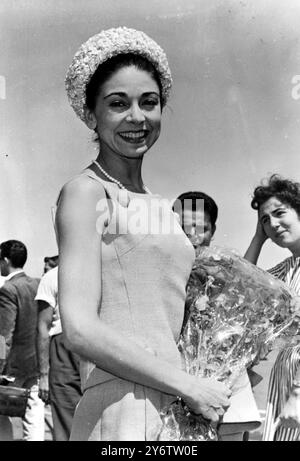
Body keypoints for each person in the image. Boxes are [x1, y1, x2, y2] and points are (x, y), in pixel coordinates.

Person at [56, 26, 231, 441]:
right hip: (126, 409)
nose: (137, 117)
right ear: (92, 113)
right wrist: (188, 385)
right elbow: (78, 327)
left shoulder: (162, 207)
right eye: (118, 104)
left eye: (148, 102)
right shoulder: (86, 192)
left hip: (181, 409)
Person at [174, 191, 260, 441]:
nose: (192, 235)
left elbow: (247, 279)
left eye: (201, 228)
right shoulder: (157, 269)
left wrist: (258, 238)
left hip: (222, 385)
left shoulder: (220, 270)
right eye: (183, 227)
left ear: (212, 231)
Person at [244, 174, 300, 441]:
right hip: (285, 378)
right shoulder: (284, 272)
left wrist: (299, 396)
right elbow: (242, 284)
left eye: (280, 213)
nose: (273, 225)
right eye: (266, 220)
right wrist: (259, 237)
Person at [0, 240, 44, 441]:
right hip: (35, 361)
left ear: (6, 260)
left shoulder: (8, 289)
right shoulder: (37, 284)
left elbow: (5, 334)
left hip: (13, 365)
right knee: (34, 412)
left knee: (1, 412)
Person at [36, 265, 81, 440]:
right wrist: (44, 375)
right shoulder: (52, 277)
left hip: (96, 345)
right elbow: (44, 326)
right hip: (64, 348)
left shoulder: (102, 270)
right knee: (66, 420)